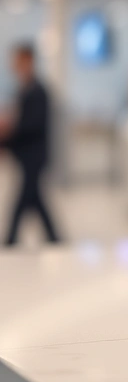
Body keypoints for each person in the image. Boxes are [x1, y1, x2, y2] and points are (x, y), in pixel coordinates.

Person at [2, 44, 60, 246]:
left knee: (22, 202)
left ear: (29, 60)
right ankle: (56, 240)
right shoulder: (23, 89)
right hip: (25, 157)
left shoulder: (38, 91)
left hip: (34, 157)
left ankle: (9, 242)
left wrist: (9, 129)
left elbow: (32, 126)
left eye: (18, 60)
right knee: (36, 201)